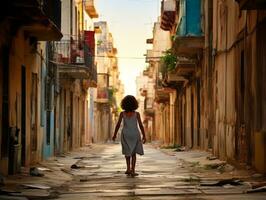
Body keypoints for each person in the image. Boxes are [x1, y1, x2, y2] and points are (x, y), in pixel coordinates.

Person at [112, 95, 146, 177]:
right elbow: (141, 125)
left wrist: (114, 134)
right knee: (133, 153)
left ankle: (128, 169)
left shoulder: (122, 114)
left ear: (124, 104)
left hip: (126, 134)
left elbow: (118, 125)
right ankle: (133, 170)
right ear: (135, 104)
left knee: (127, 152)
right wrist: (144, 135)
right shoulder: (137, 114)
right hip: (134, 134)